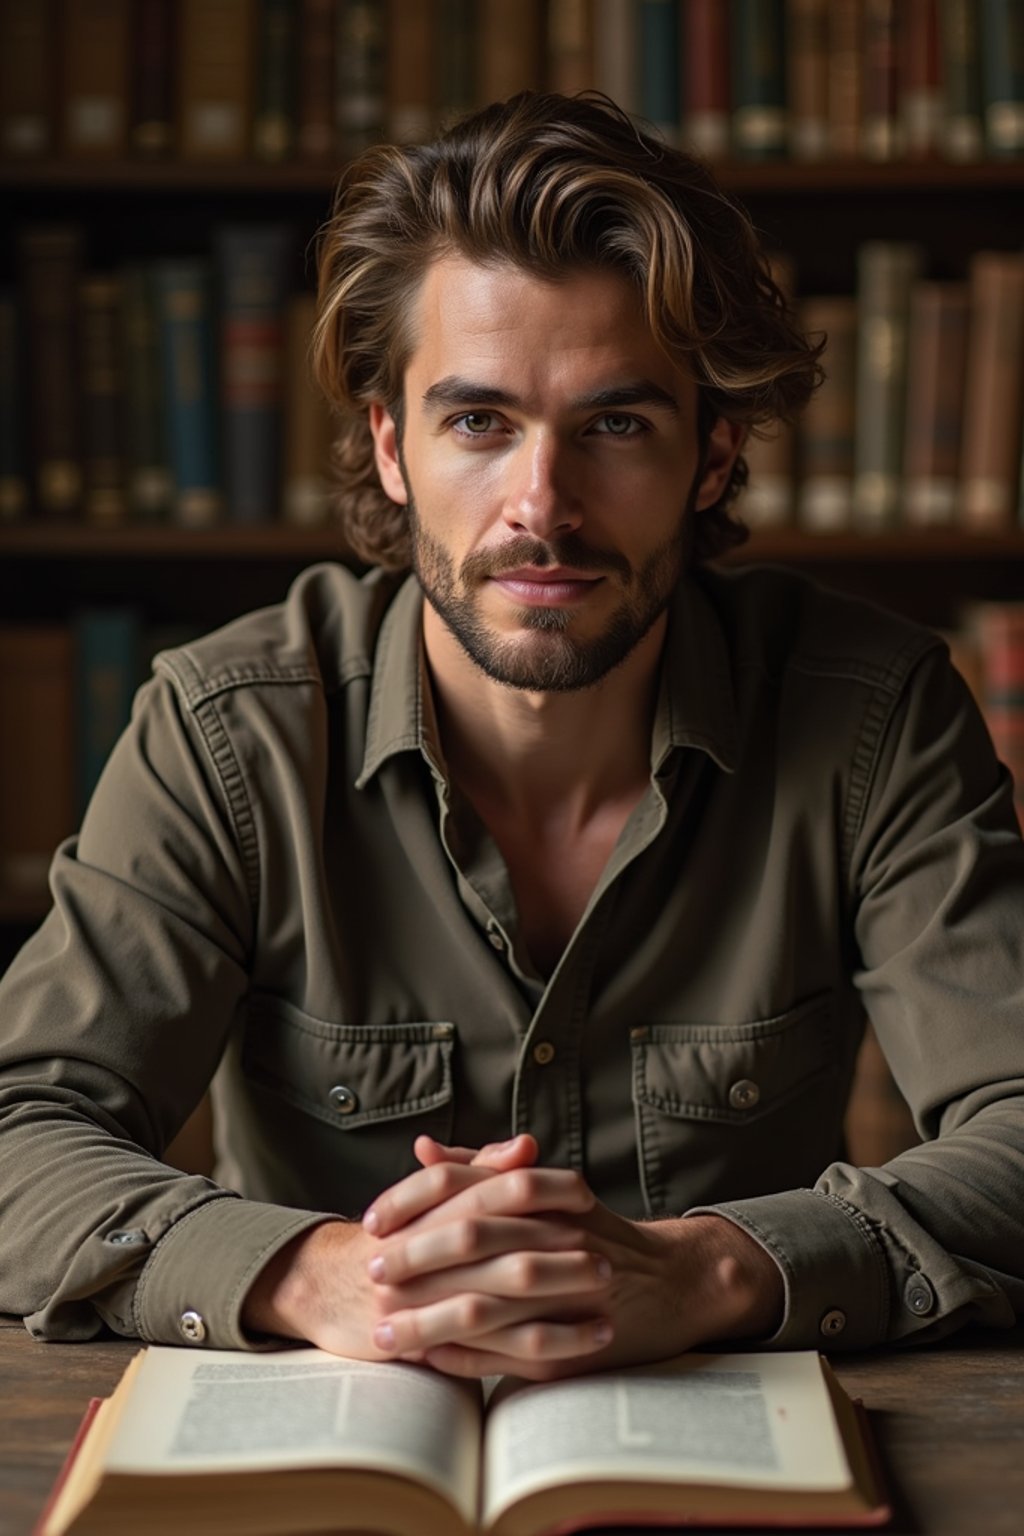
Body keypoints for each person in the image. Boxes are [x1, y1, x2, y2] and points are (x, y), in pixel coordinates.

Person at [1, 93, 1022, 1382]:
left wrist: (710, 1268)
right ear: (391, 447)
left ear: (712, 458)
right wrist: (324, 1276)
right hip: (327, 1452)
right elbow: (17, 1124)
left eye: (615, 424)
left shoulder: (874, 717)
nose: (543, 506)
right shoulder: (227, 730)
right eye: (480, 422)